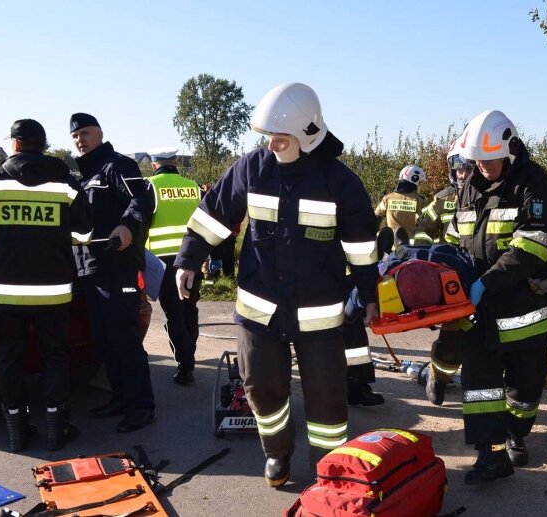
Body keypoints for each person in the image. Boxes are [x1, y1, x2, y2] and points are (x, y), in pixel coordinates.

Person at [174, 83, 379, 488]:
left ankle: (329, 470)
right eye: (267, 137)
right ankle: (277, 452)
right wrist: (188, 259)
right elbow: (213, 215)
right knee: (262, 389)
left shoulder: (340, 181)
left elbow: (361, 247)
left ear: (307, 134)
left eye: (279, 138)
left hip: (318, 311)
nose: (270, 145)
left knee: (327, 396)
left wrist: (369, 294)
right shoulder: (252, 167)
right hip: (259, 307)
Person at [449, 110, 547, 485]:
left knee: (525, 390)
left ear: (510, 150)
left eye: (490, 159)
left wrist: (486, 282)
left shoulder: (534, 185)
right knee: (480, 386)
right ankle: (491, 454)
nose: (482, 167)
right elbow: (455, 238)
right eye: (476, 160)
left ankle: (516, 433)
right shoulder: (468, 188)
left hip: (525, 311)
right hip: (480, 312)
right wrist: (448, 277)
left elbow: (533, 247)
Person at [0, 119, 93, 451]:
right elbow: (83, 235)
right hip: (53, 291)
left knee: (8, 358)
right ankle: (57, 431)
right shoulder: (66, 184)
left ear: (14, 144)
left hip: (4, 291)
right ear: (43, 144)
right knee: (55, 357)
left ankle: (16, 431)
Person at [70, 113, 156, 433]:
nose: (81, 140)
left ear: (100, 133)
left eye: (86, 134)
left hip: (117, 268)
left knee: (124, 337)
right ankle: (120, 397)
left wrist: (127, 225)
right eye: (76, 136)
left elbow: (142, 200)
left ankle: (141, 405)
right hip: (90, 269)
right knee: (103, 340)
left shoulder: (118, 165)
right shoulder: (81, 176)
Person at [414, 137, 475, 405]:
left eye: (467, 169)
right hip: (452, 279)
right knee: (452, 341)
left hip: (486, 278)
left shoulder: (494, 198)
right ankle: (438, 376)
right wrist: (428, 260)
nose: (462, 174)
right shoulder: (442, 201)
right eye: (458, 169)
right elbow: (420, 230)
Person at [145, 147, 201, 386]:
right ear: (176, 162)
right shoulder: (194, 187)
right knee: (190, 308)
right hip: (192, 259)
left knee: (174, 314)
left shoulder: (149, 187)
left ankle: (185, 365)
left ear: (153, 165)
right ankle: (190, 354)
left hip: (163, 263)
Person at [374, 164, 427, 241]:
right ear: (414, 180)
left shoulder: (387, 198)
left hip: (390, 246)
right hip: (411, 247)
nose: (420, 186)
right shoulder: (420, 200)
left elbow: (377, 217)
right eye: (420, 183)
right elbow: (428, 223)